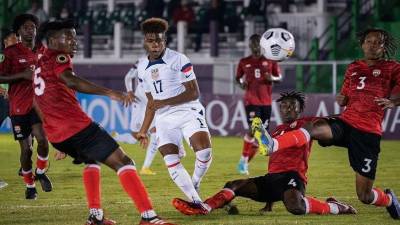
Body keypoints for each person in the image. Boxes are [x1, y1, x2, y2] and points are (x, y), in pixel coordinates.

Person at [33, 20, 177, 225]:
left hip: (57, 134)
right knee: (124, 162)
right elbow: (71, 80)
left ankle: (95, 217)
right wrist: (110, 92)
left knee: (92, 160)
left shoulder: (40, 57)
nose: (75, 41)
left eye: (75, 36)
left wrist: (54, 129)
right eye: (69, 37)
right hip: (76, 128)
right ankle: (149, 217)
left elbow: (37, 97)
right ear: (54, 40)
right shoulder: (59, 57)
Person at [255, 28, 400, 219]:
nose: (373, 45)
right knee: (313, 127)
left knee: (365, 195)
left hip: (368, 132)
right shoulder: (353, 67)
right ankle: (272, 144)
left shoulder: (393, 68)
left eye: (378, 42)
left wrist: (392, 102)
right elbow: (346, 96)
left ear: (384, 46)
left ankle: (389, 200)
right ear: (362, 44)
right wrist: (343, 99)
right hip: (346, 122)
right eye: (369, 41)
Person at [172, 91, 357, 216]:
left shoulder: (308, 123)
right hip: (271, 179)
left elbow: (330, 122)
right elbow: (270, 155)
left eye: (292, 106)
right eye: (284, 106)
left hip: (293, 177)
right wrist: (268, 203)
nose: (288, 109)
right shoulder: (276, 131)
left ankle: (335, 207)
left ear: (300, 109)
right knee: (234, 185)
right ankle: (205, 206)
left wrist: (345, 115)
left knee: (295, 207)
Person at [135, 18, 213, 211]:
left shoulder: (179, 59)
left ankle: (195, 182)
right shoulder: (141, 68)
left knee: (204, 152)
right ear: (145, 41)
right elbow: (151, 104)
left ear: (165, 40)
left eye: (159, 40)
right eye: (152, 40)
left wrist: (165, 102)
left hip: (188, 110)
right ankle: (197, 202)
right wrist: (143, 131)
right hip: (164, 119)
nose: (156, 44)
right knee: (170, 158)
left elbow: (194, 92)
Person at [0, 14, 52, 200]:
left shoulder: (44, 52)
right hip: (18, 107)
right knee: (26, 150)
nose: (30, 30)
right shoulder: (11, 53)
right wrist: (21, 75)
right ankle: (30, 186)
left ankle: (39, 171)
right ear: (19, 32)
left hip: (38, 106)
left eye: (32, 27)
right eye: (26, 28)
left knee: (43, 141)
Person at [236, 33, 282, 175]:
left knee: (261, 137)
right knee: (254, 127)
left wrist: (272, 78)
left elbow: (279, 77)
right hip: (251, 100)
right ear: (250, 46)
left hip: (266, 102)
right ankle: (244, 160)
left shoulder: (270, 60)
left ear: (262, 45)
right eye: (253, 43)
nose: (256, 46)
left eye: (258, 43)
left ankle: (243, 162)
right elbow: (238, 78)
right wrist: (242, 84)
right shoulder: (244, 61)